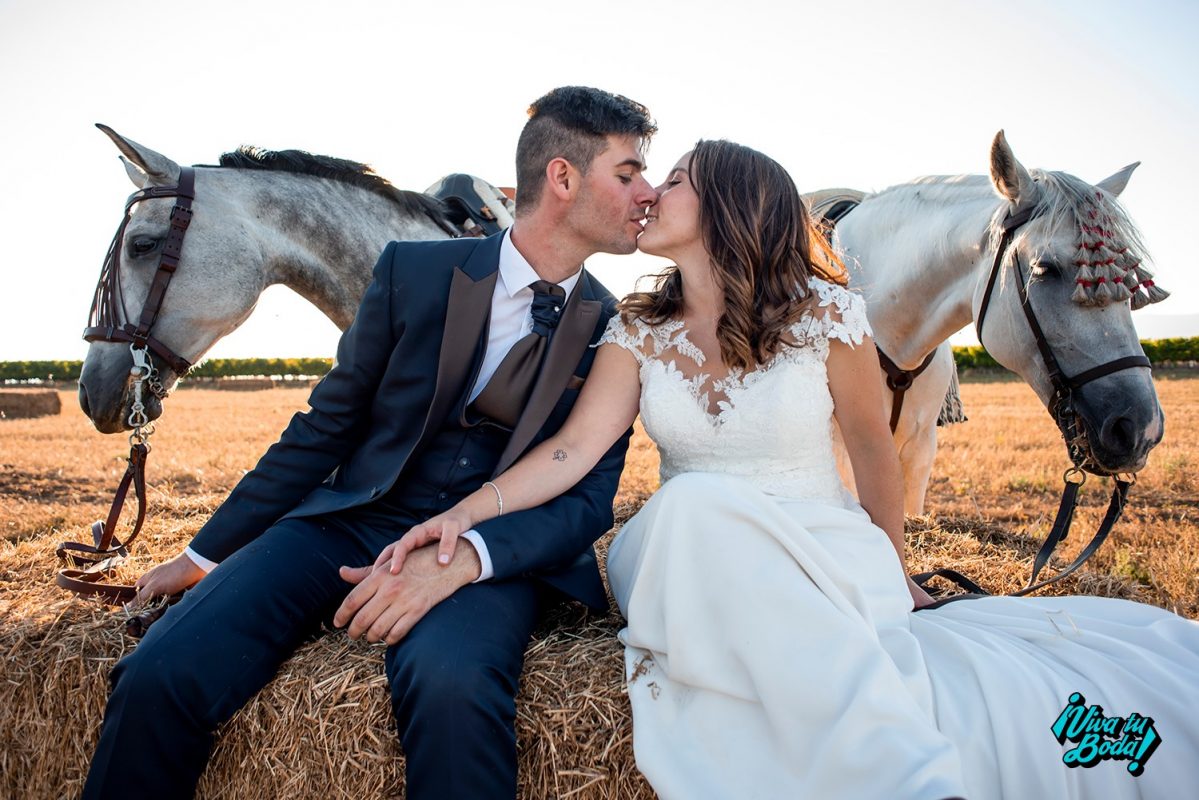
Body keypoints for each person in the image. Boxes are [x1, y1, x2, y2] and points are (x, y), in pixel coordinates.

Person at [395, 140, 1199, 799]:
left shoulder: (829, 317)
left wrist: (890, 564)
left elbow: (872, 450)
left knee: (711, 515)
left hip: (819, 542)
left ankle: (894, 772)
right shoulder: (636, 328)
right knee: (691, 505)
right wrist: (471, 512)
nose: (649, 195)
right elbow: (570, 450)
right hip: (682, 558)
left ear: (728, 209)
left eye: (672, 181)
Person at [82, 86, 659, 800]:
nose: (648, 193)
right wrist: (205, 554)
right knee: (160, 670)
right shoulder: (411, 274)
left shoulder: (621, 329)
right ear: (563, 179)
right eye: (629, 172)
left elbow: (586, 501)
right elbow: (324, 427)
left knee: (454, 690)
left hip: (487, 554)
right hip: (346, 522)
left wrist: (466, 560)